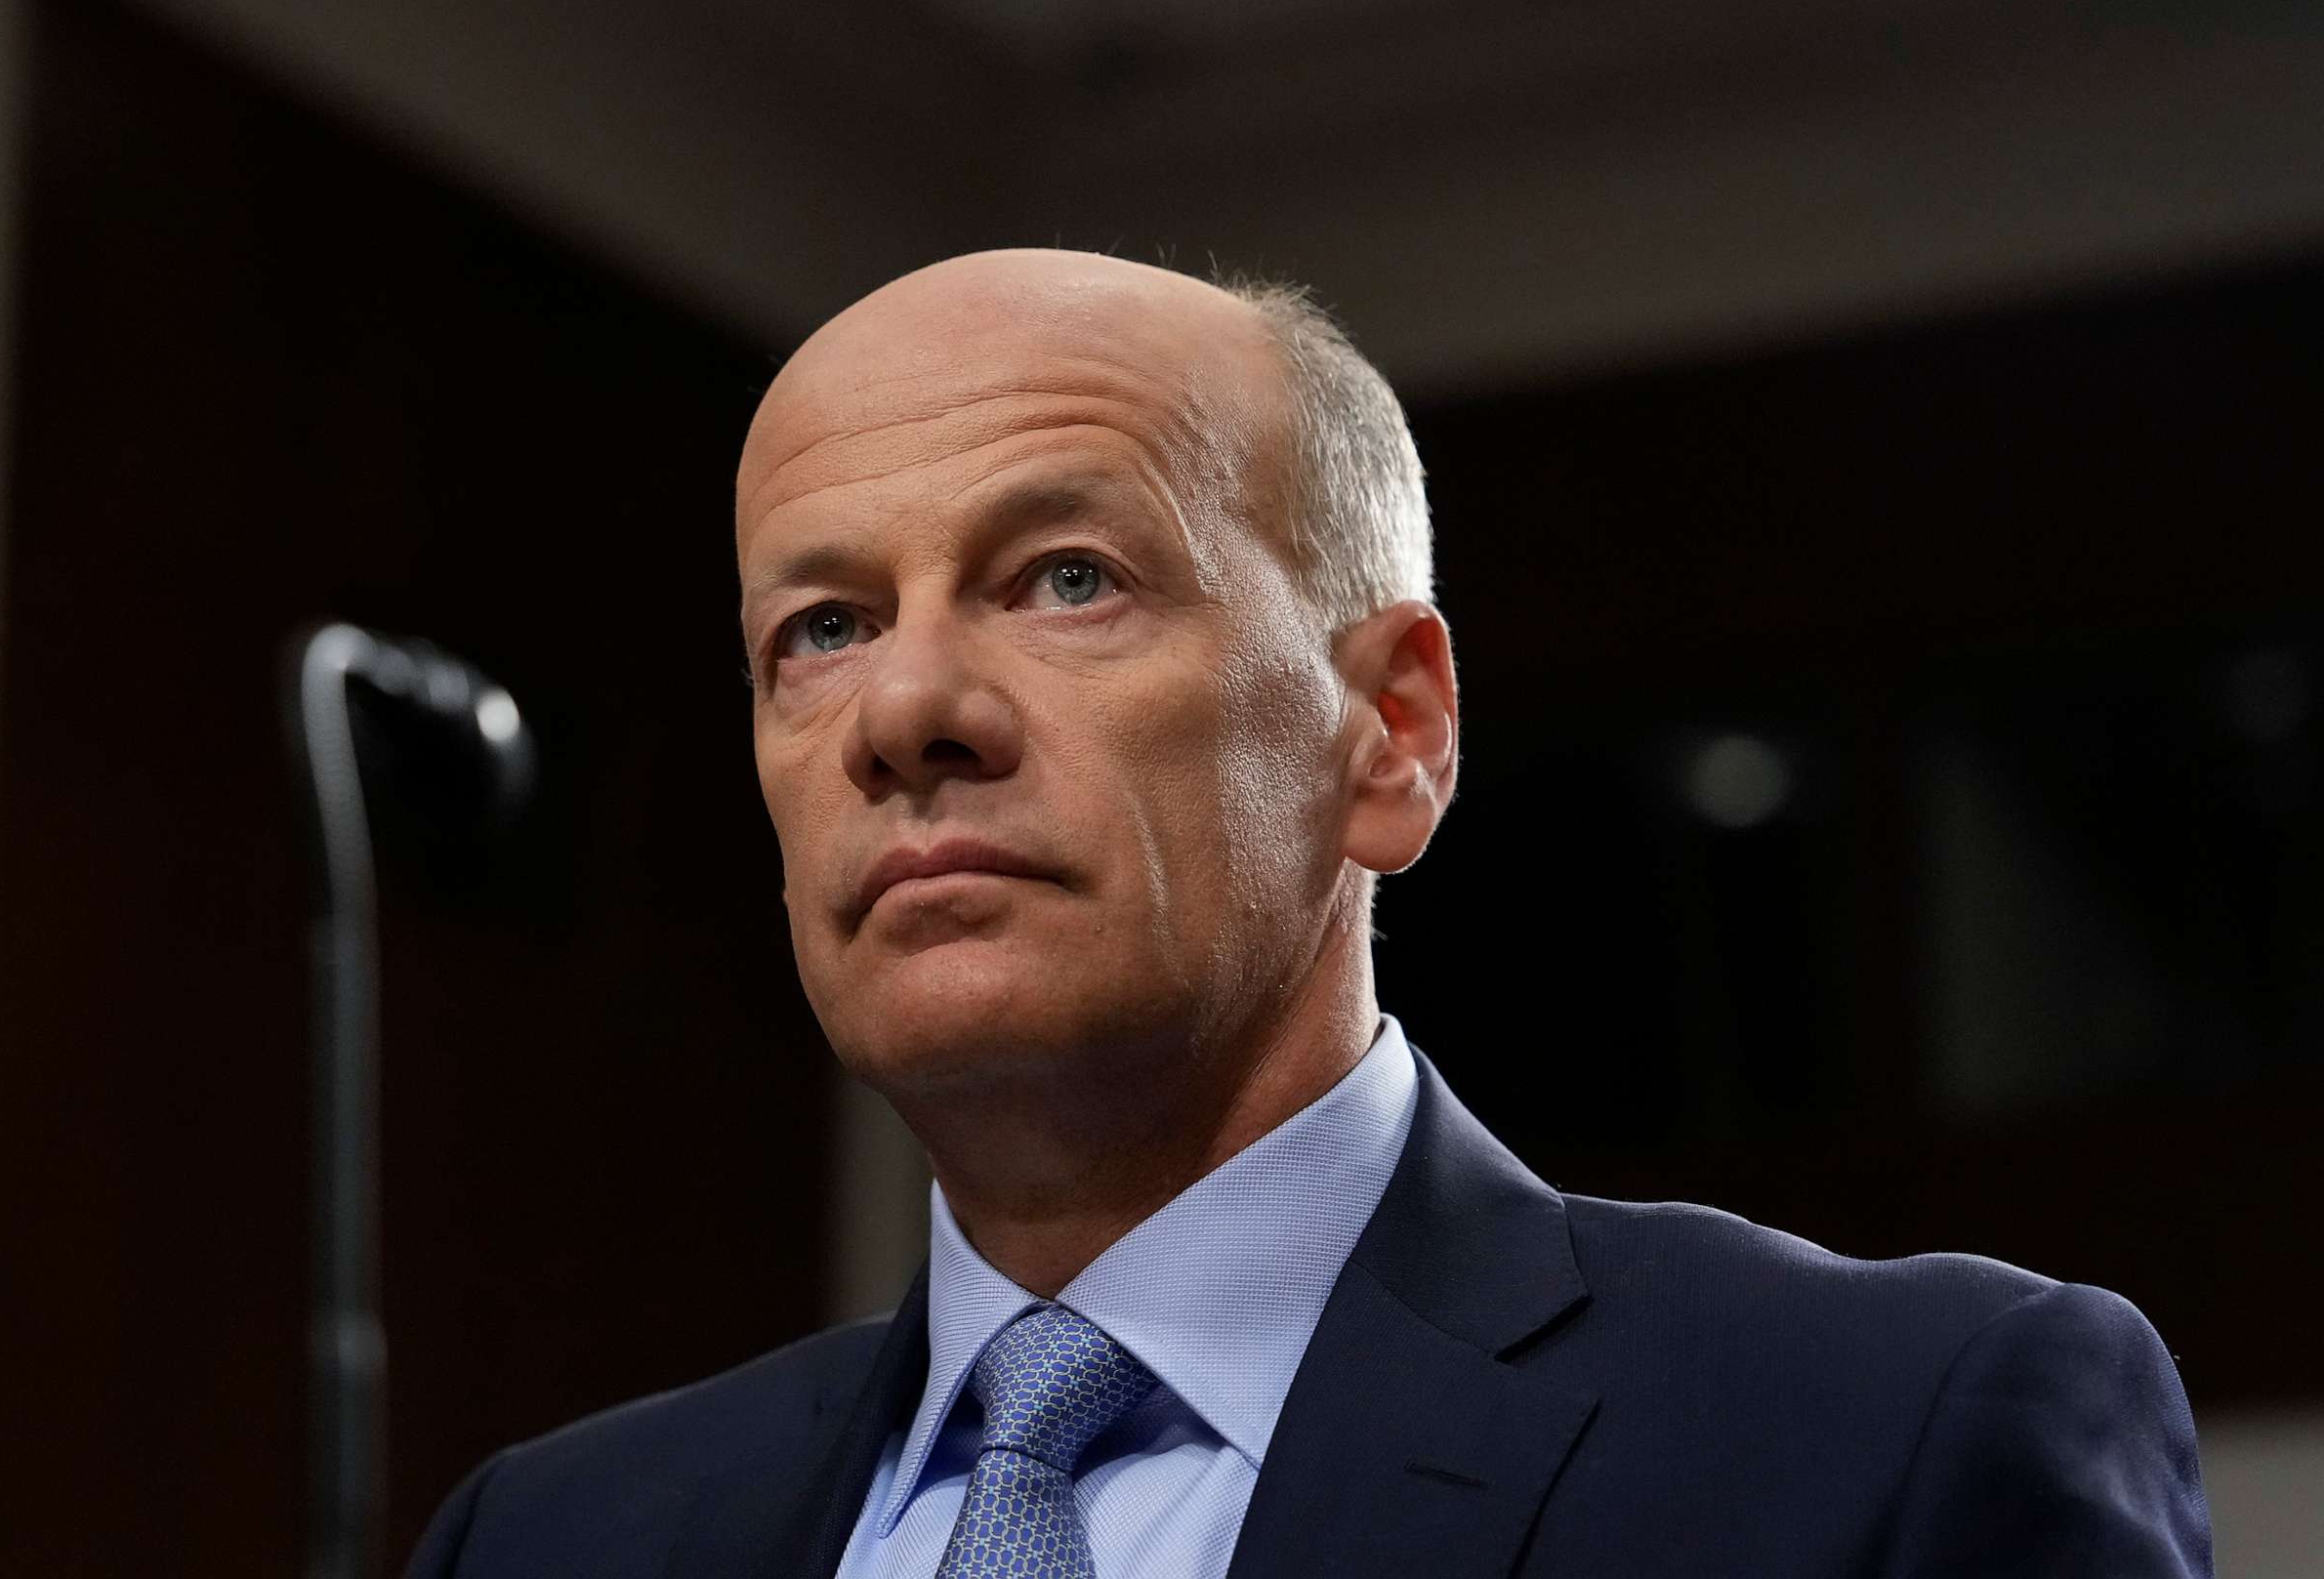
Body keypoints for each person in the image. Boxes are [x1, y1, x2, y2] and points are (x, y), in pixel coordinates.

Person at [406, 249, 2211, 1577]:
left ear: (1392, 735)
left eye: (1064, 577)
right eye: (823, 626)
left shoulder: (1884, 1442)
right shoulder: (549, 1543)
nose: (902, 713)